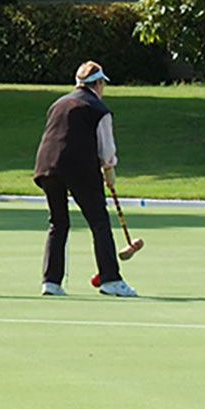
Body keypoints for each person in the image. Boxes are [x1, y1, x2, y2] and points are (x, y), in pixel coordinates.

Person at [33, 61, 134, 297]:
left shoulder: (58, 103)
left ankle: (51, 282)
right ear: (97, 83)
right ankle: (111, 279)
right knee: (99, 221)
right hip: (79, 168)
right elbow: (106, 149)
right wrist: (109, 169)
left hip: (47, 165)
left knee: (58, 222)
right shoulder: (99, 109)